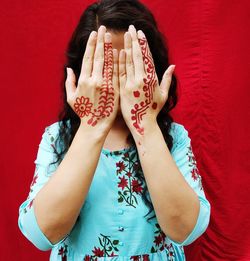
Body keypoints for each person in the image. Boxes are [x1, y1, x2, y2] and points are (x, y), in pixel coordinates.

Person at [18, 0, 211, 260]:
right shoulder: (58, 139)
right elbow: (41, 233)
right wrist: (92, 125)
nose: (120, 80)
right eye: (105, 66)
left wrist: (144, 123)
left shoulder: (173, 138)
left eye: (130, 65)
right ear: (82, 71)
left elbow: (186, 229)